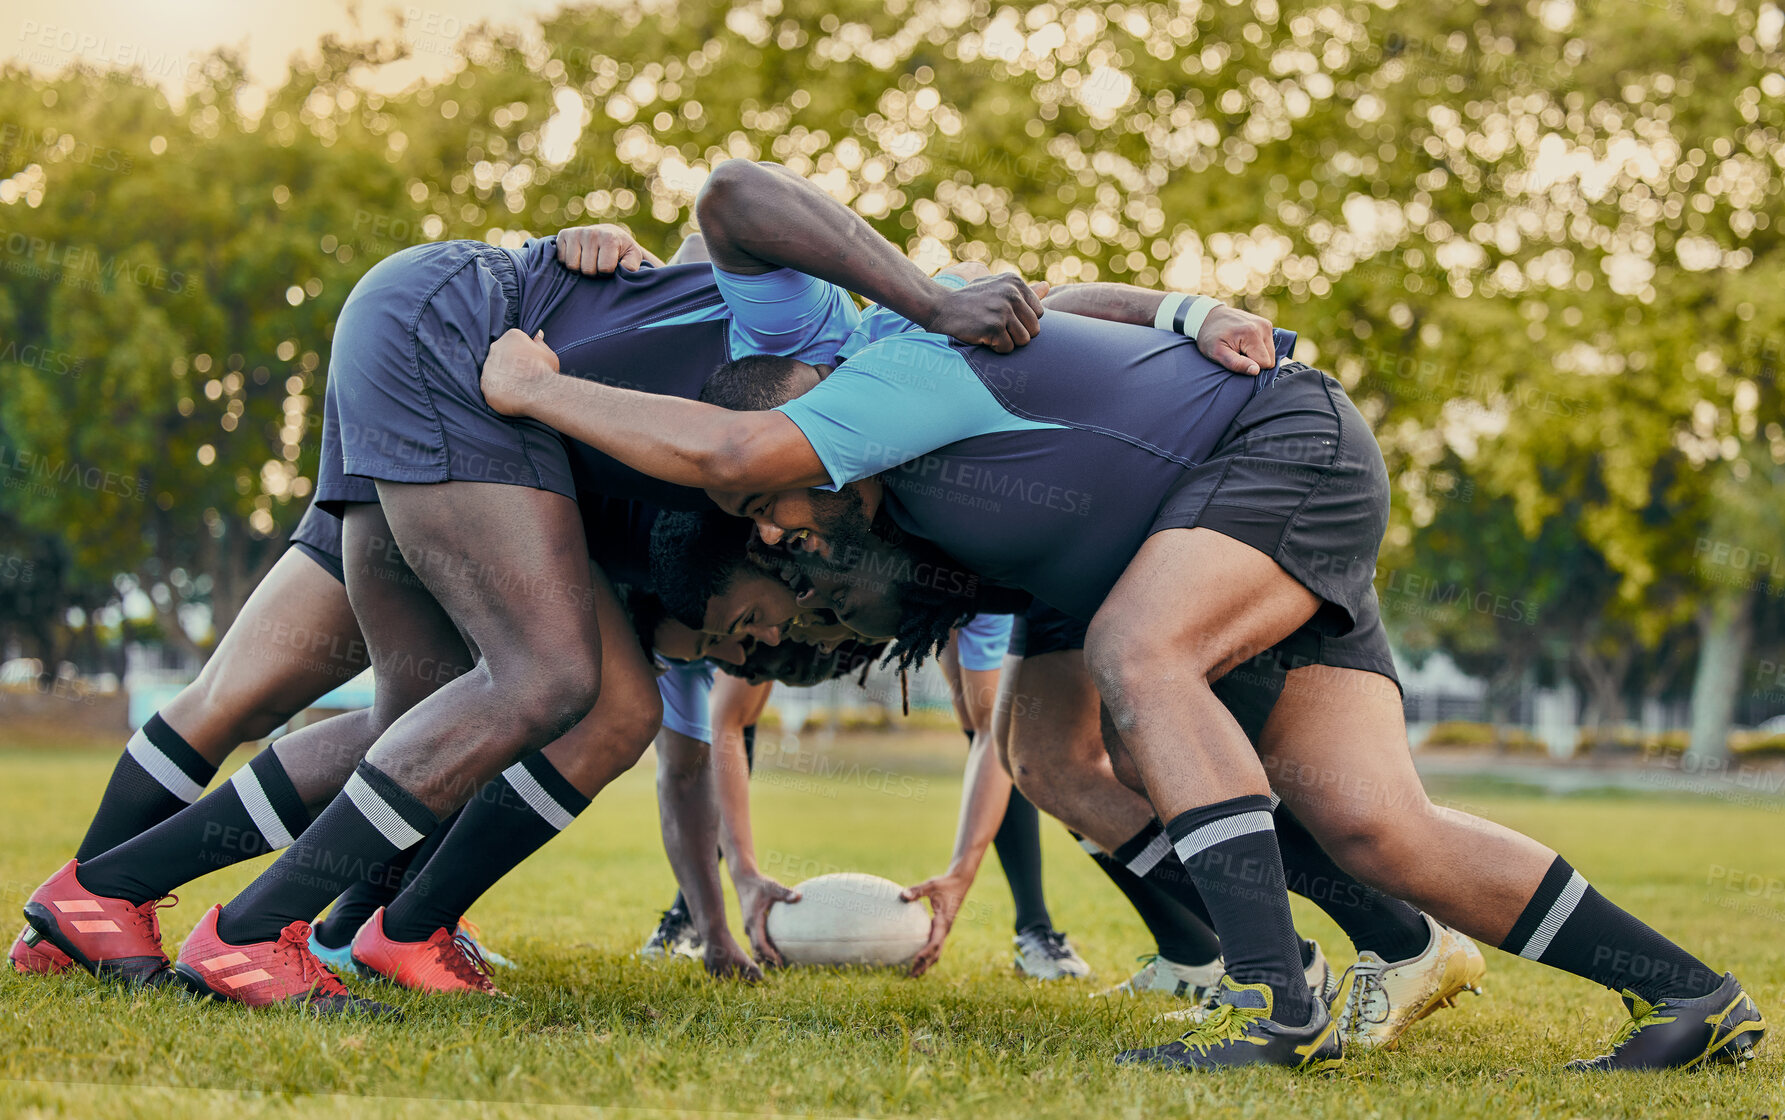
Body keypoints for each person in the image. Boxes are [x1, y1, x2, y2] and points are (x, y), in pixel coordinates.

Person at [477, 158, 1765, 1072]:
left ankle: (1281, 1002)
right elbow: (1047, 306)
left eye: (782, 501)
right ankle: (1693, 997)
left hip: (1272, 457)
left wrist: (538, 393)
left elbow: (728, 446)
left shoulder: (876, 377)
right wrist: (1183, 308)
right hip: (1174, 521)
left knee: (1141, 656)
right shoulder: (905, 408)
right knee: (1352, 816)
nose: (769, 527)